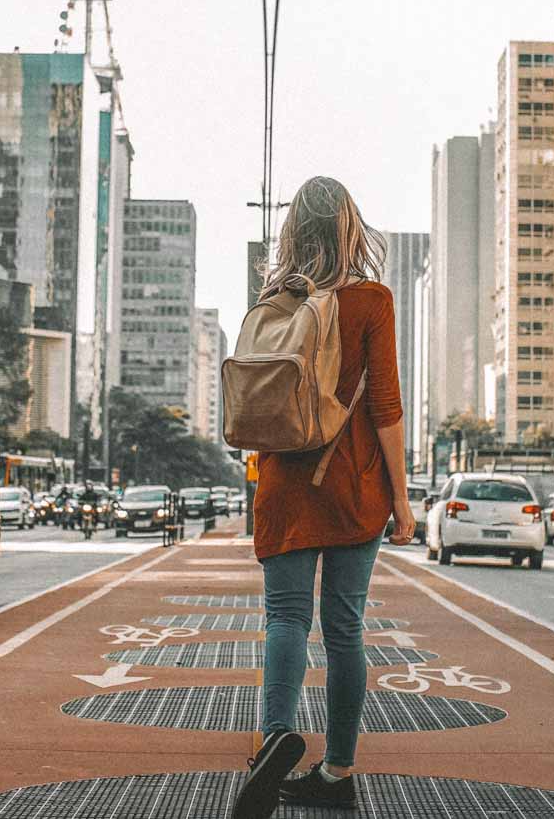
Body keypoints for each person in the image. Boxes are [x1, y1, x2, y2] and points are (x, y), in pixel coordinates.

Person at [232, 177, 414, 819]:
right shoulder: (373, 301)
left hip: (284, 483)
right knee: (345, 630)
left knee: (284, 620)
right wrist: (402, 499)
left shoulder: (273, 301)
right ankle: (337, 772)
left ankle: (275, 739)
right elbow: (387, 406)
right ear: (349, 228)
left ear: (293, 232)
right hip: (354, 488)